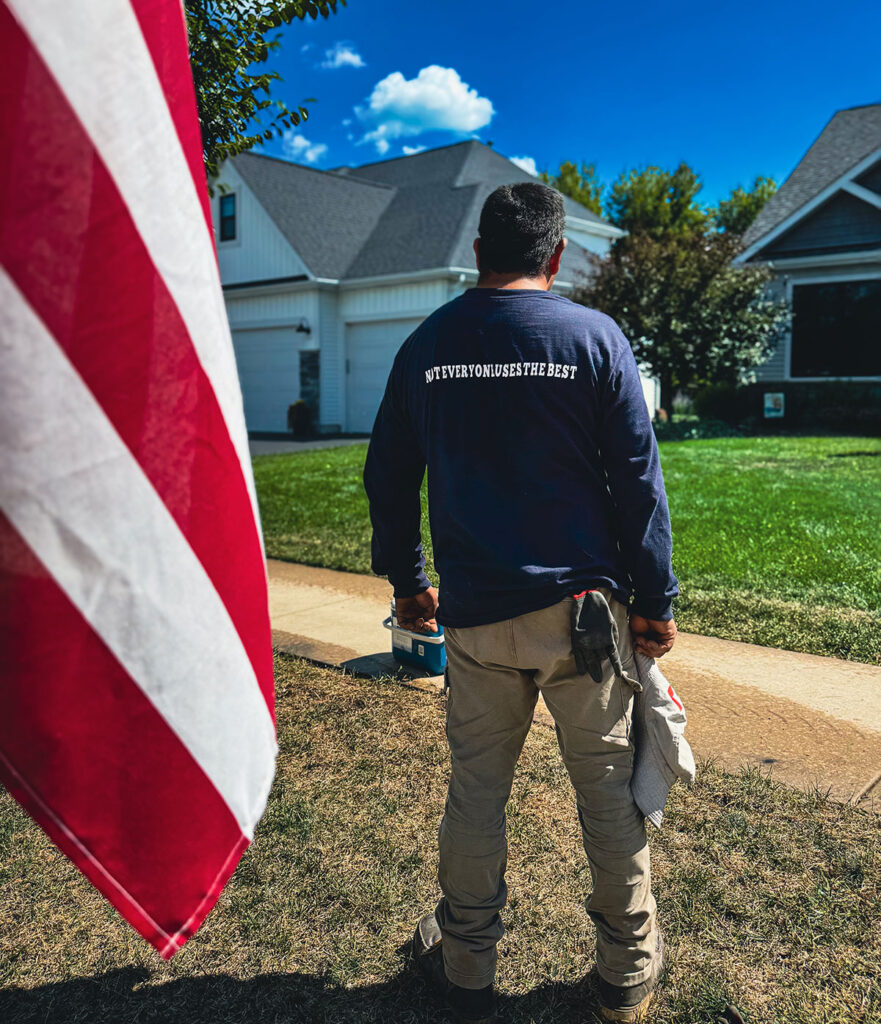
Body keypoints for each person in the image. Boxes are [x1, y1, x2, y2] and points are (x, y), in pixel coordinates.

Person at [363, 181, 679, 1024]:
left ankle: (466, 968)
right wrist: (655, 597)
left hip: (475, 618)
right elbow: (637, 482)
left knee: (476, 790)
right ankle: (625, 975)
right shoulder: (594, 337)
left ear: (477, 251)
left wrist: (408, 579)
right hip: (583, 620)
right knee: (607, 795)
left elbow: (389, 476)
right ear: (556, 254)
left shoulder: (428, 343)